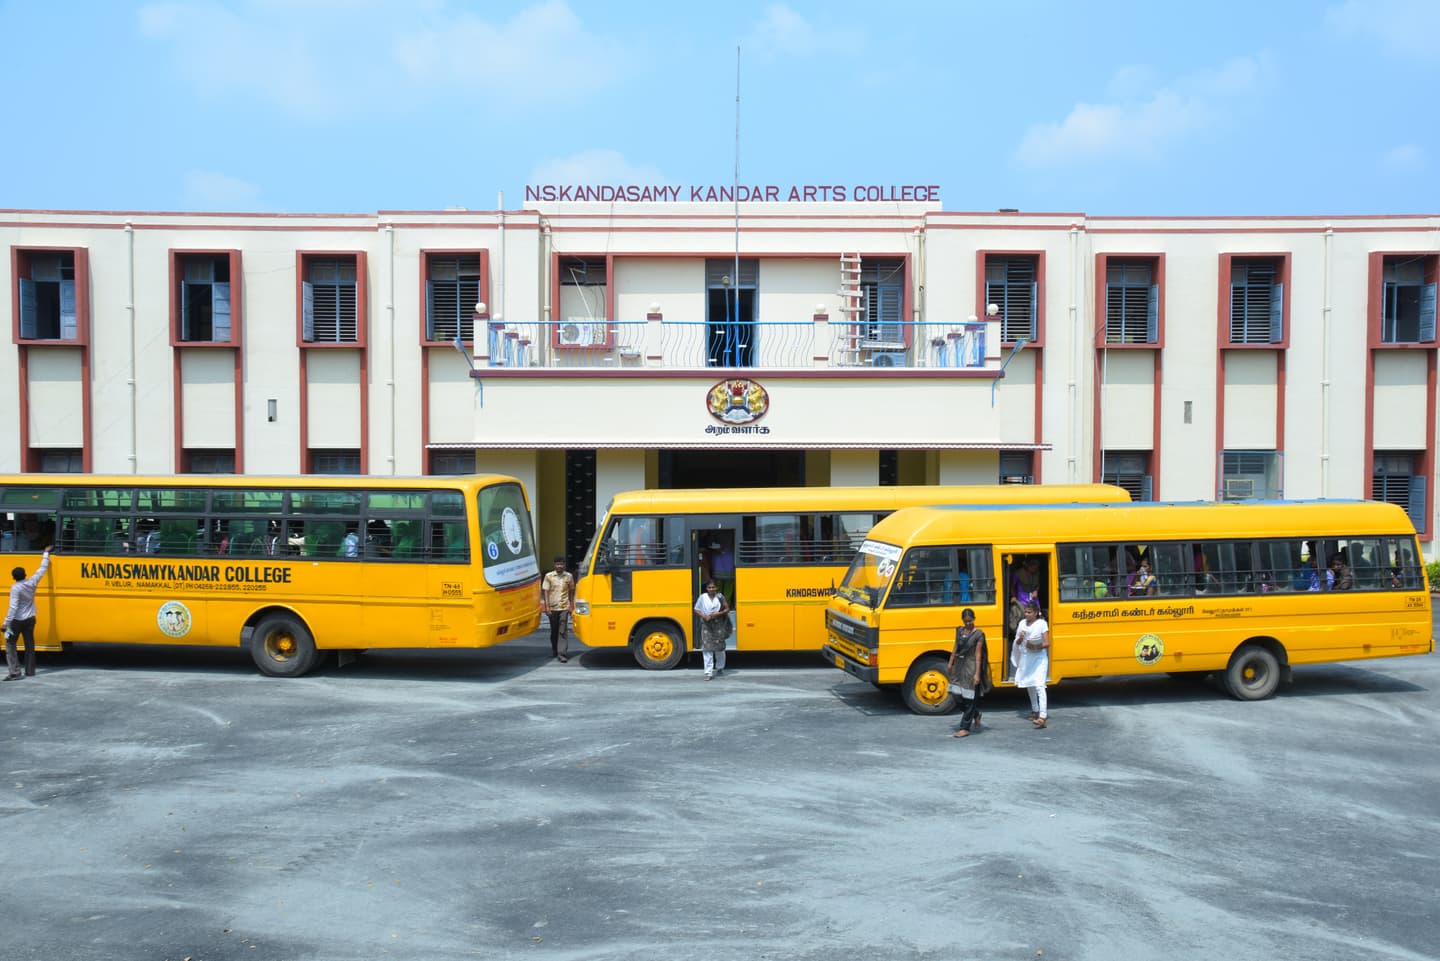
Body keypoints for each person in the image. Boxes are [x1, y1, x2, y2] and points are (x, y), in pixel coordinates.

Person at [4, 546, 53, 680]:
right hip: (31, 618)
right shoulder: (32, 582)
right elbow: (41, 570)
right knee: (29, 644)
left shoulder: (16, 588)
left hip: (17, 620)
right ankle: (30, 671)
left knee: (10, 644)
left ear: (13, 577)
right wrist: (45, 554)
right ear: (25, 574)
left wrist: (5, 623)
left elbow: (13, 607)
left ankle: (14, 672)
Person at [946, 607, 991, 737]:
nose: (968, 623)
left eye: (970, 620)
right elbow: (955, 647)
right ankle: (976, 714)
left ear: (974, 619)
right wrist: (950, 663)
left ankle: (964, 728)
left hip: (971, 667)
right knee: (956, 697)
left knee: (970, 698)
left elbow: (978, 655)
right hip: (958, 667)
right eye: (966, 621)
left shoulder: (978, 635)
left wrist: (977, 674)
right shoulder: (959, 631)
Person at [1011, 601, 1051, 729]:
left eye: (1029, 612)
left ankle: (1043, 716)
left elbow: (1047, 643)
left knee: (1039, 686)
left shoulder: (1042, 624)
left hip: (1039, 659)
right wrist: (1021, 638)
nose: (1027, 614)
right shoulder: (1022, 624)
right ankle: (1035, 710)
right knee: (1029, 684)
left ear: (1036, 613)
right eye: (1026, 612)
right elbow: (1016, 643)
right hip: (1026, 658)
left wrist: (1035, 646)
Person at [540, 554, 576, 662]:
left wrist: (571, 606)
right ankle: (555, 650)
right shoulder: (548, 576)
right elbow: (546, 592)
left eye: (561, 564)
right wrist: (547, 607)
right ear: (554, 565)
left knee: (562, 631)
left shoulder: (569, 576)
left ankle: (562, 654)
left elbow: (571, 591)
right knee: (554, 631)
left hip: (564, 608)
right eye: (557, 564)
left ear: (564, 565)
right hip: (552, 608)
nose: (559, 566)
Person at [693, 579, 730, 680]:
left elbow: (727, 609)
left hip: (718, 624)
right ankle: (708, 673)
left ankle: (720, 667)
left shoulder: (720, 597)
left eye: (713, 587)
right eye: (709, 587)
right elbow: (696, 609)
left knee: (720, 648)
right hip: (706, 624)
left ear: (716, 588)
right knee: (707, 648)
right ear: (706, 589)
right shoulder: (702, 597)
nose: (711, 589)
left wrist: (718, 614)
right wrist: (704, 616)